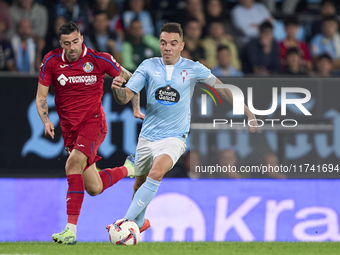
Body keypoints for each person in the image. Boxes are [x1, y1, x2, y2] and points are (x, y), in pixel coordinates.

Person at [109, 22, 258, 233]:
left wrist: (248, 112)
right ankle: (139, 224)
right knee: (138, 184)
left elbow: (223, 89)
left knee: (156, 172)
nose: (167, 47)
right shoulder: (148, 66)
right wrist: (117, 90)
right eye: (163, 43)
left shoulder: (193, 68)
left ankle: (124, 223)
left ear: (181, 45)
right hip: (148, 135)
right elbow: (125, 98)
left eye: (173, 43)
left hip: (174, 137)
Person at [36, 21, 144, 245]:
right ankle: (129, 168)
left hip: (94, 124)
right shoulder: (52, 60)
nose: (72, 47)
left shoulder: (99, 58)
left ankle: (70, 230)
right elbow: (41, 97)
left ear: (81, 39)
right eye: (67, 43)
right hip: (70, 131)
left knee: (72, 164)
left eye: (75, 41)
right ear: (61, 43)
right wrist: (45, 120)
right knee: (93, 187)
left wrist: (135, 107)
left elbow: (134, 78)